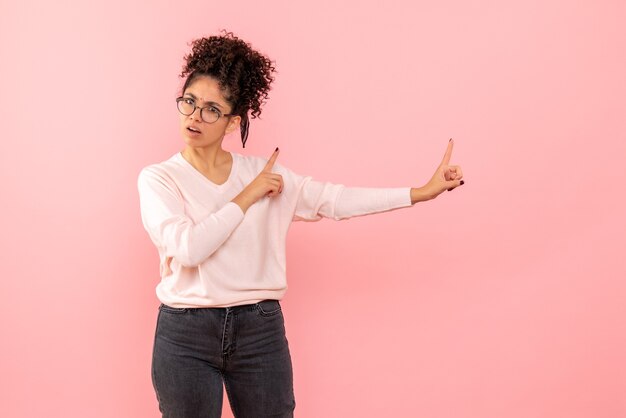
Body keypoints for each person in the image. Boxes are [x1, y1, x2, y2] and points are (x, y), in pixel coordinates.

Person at [137, 30, 464, 418]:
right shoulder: (159, 179)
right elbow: (190, 248)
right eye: (189, 102)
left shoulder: (264, 173)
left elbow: (334, 200)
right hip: (185, 333)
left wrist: (418, 193)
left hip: (258, 329)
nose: (194, 116)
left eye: (211, 109)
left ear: (231, 122)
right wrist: (247, 196)